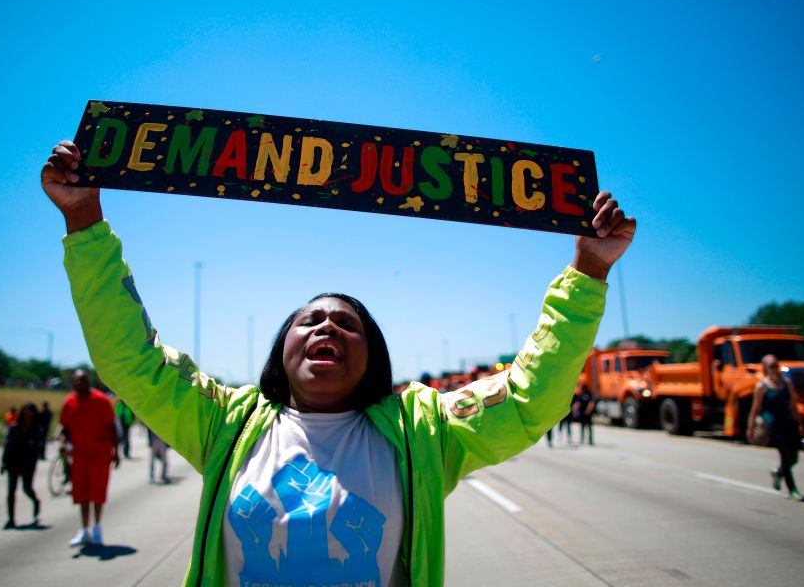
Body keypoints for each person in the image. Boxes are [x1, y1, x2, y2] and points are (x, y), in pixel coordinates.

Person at [43, 140, 635, 585]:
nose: (327, 325)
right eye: (311, 320)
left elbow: (532, 395)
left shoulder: (423, 433)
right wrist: (83, 221)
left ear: (371, 356)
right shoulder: (225, 423)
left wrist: (589, 273)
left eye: (347, 324)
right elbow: (132, 361)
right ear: (282, 347)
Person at [59, 369, 120, 546]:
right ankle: (84, 529)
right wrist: (63, 443)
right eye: (76, 381)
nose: (79, 384)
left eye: (83, 380)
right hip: (79, 455)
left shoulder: (101, 401)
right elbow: (64, 428)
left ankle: (97, 527)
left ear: (88, 381)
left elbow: (112, 428)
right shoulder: (69, 402)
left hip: (100, 454)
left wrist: (116, 453)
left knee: (98, 493)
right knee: (82, 494)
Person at [747, 354, 804, 501]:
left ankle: (778, 473)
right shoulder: (761, 386)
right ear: (765, 368)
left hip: (788, 422)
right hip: (772, 424)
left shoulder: (787, 384)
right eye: (771, 365)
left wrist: (800, 424)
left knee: (794, 457)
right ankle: (793, 489)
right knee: (785, 455)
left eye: (775, 364)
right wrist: (750, 427)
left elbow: (793, 406)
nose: (774, 367)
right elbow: (756, 408)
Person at [1, 403, 43, 528]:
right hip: (13, 462)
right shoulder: (14, 428)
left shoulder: (37, 429)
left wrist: (32, 466)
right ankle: (11, 519)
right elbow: (7, 445)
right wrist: (4, 462)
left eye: (30, 412)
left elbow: (37, 450)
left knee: (27, 488)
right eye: (25, 412)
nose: (28, 414)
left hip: (27, 464)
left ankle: (36, 501)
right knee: (11, 491)